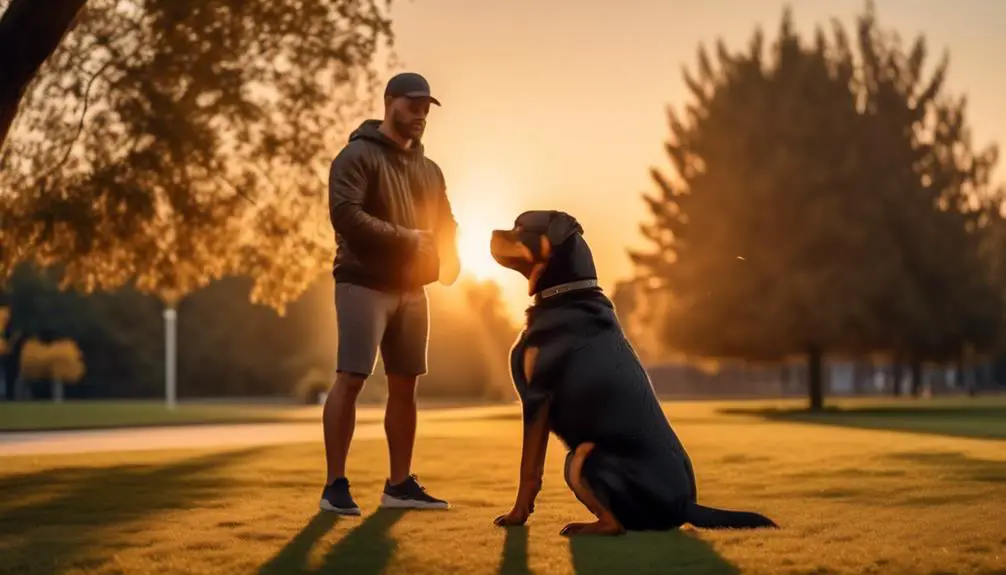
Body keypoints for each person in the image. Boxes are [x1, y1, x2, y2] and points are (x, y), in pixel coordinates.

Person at [321, 72, 460, 515]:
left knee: (406, 386)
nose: (419, 115)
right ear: (389, 102)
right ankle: (335, 487)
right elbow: (345, 215)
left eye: (425, 108)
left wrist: (452, 256)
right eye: (411, 105)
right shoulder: (356, 156)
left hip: (413, 291)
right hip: (362, 283)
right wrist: (406, 238)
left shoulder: (429, 169)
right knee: (352, 377)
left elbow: (445, 222)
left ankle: (398, 486)